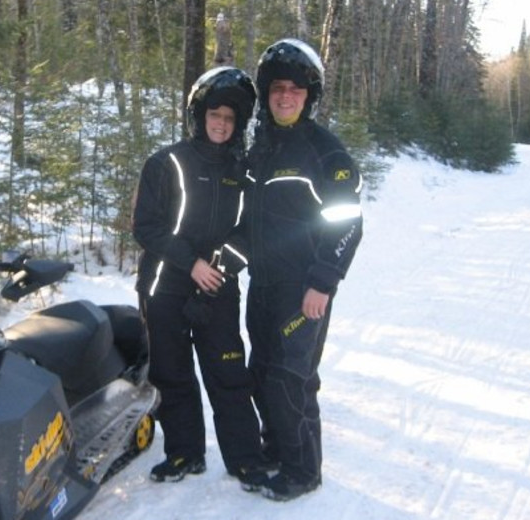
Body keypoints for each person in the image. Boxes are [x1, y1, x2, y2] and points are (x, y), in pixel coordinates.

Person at [225, 38, 364, 501]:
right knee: (262, 372)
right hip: (262, 285)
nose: (286, 96)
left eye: (296, 89)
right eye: (278, 88)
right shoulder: (261, 148)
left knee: (292, 378)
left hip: (303, 289)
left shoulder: (323, 150)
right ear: (266, 93)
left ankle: (303, 469)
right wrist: (221, 262)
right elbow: (252, 223)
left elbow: (348, 222)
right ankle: (276, 450)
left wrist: (323, 281)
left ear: (309, 96)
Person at [132, 66, 267, 491]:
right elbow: (146, 226)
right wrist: (190, 263)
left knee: (228, 374)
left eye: (229, 118)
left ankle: (244, 459)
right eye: (215, 115)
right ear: (199, 114)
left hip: (218, 289)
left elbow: (252, 231)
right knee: (172, 374)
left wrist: (223, 266)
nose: (221, 124)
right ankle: (184, 453)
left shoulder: (243, 173)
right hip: (165, 287)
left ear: (238, 123)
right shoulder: (166, 162)